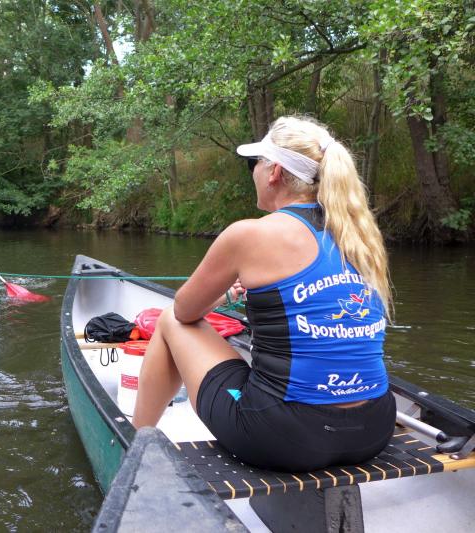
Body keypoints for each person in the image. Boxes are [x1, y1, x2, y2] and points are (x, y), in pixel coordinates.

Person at [132, 115, 395, 472]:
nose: (253, 171)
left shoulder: (249, 234)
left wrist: (226, 297)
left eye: (255, 163)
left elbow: (184, 311)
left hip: (286, 437)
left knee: (168, 321)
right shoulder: (360, 235)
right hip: (374, 429)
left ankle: (135, 446)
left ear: (274, 172)